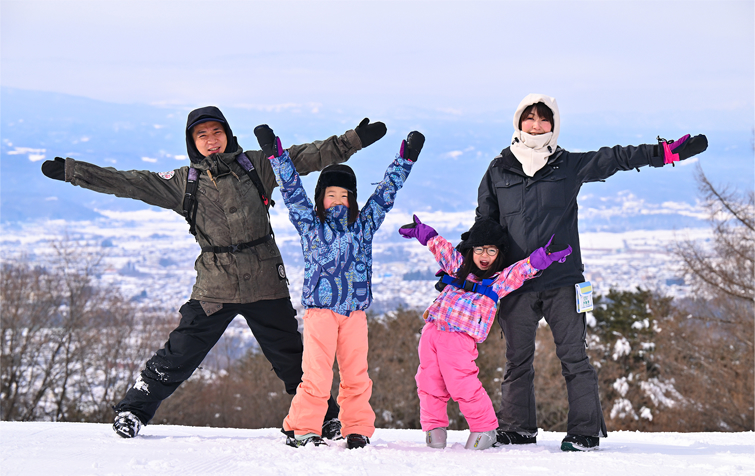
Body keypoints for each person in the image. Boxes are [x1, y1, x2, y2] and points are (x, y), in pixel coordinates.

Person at [40, 106, 388, 438]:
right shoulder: (183, 181)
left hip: (264, 277)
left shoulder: (255, 165)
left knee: (292, 357)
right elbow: (129, 183)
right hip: (215, 284)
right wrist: (75, 172)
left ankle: (324, 418)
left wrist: (352, 141)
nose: (211, 140)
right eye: (202, 135)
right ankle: (133, 411)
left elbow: (306, 157)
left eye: (217, 132)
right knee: (181, 352)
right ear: (192, 141)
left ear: (227, 134)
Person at [475, 93, 708, 451]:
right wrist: (474, 270)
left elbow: (615, 158)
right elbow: (484, 226)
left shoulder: (567, 165)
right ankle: (518, 428)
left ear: (553, 125)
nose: (536, 125)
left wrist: (662, 153)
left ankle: (585, 431)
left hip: (563, 280)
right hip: (516, 282)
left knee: (574, 356)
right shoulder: (498, 169)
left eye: (544, 119)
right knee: (516, 360)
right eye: (530, 118)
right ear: (518, 122)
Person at [254, 123, 423, 449]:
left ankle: (356, 427)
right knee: (317, 374)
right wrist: (276, 155)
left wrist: (405, 161)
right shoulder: (310, 224)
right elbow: (291, 191)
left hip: (354, 314)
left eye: (344, 195)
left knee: (357, 375)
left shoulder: (363, 225)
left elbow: (384, 196)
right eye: (331, 194)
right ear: (321, 198)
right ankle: (304, 428)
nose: (338, 200)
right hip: (320, 313)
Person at [399, 216, 572, 450]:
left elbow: (521, 271)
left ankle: (484, 427)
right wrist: (424, 232)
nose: (484, 256)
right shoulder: (458, 268)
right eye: (479, 249)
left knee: (462, 384)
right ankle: (434, 427)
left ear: (499, 254)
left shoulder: (497, 282)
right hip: (431, 331)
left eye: (491, 251)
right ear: (471, 251)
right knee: (428, 382)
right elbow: (442, 249)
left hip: (459, 338)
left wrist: (545, 256)